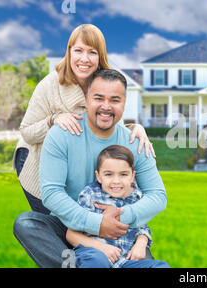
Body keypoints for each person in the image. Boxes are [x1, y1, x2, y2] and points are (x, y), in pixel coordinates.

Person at [13, 69, 167, 268]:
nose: (106, 106)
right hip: (69, 224)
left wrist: (121, 216)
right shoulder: (61, 134)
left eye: (114, 100)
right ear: (87, 99)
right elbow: (51, 194)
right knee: (26, 223)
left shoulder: (134, 141)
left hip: (120, 230)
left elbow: (157, 196)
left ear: (124, 103)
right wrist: (96, 223)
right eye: (98, 98)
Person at [13, 24, 155, 215]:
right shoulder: (50, 85)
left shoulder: (106, 82)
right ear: (69, 52)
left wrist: (134, 128)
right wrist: (52, 120)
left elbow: (110, 120)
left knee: (81, 221)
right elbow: (27, 131)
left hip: (76, 169)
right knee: (56, 224)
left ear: (100, 57)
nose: (84, 59)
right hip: (36, 161)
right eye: (78, 50)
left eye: (92, 52)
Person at [67, 145, 169, 268]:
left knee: (161, 266)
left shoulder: (136, 197)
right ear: (98, 176)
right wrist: (102, 247)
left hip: (124, 261)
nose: (116, 181)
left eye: (123, 174)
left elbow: (142, 226)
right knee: (97, 261)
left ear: (132, 176)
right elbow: (71, 234)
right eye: (109, 174)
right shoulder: (90, 194)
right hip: (94, 253)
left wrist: (141, 242)